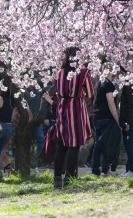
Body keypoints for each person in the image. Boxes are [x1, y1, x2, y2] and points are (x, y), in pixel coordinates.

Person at [51, 47, 94, 188]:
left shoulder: (59, 72)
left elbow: (56, 90)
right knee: (74, 145)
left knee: (61, 145)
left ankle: (57, 178)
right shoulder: (83, 72)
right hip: (75, 108)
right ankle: (70, 178)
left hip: (62, 108)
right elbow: (89, 93)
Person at [91, 77, 121, 175]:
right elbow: (110, 103)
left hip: (97, 117)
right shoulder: (108, 84)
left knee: (98, 143)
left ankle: (96, 168)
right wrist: (117, 120)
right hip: (106, 117)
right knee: (106, 144)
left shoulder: (99, 82)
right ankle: (104, 169)